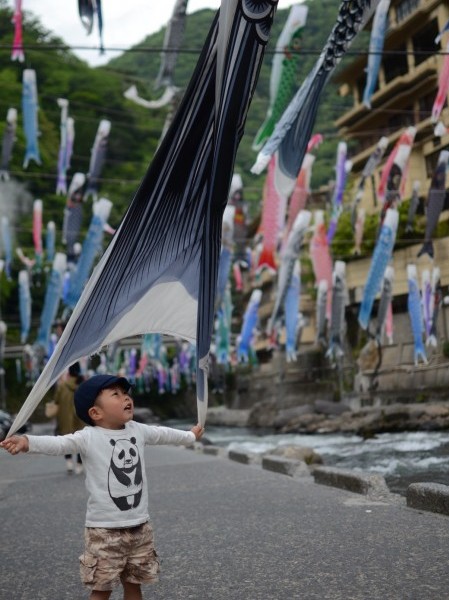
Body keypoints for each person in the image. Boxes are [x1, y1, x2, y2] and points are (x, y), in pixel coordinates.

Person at [1, 373, 204, 600]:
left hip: (140, 527)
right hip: (104, 531)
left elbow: (163, 433)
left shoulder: (137, 429)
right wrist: (27, 441)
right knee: (101, 589)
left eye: (126, 393)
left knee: (134, 585)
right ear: (95, 413)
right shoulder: (88, 437)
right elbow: (59, 443)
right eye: (115, 394)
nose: (126, 397)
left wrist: (189, 436)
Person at [54, 361, 85, 474]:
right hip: (80, 418)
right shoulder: (82, 385)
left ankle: (69, 463)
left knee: (66, 439)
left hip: (65, 418)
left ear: (69, 372)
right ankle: (79, 464)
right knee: (81, 440)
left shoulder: (62, 386)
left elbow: (56, 401)